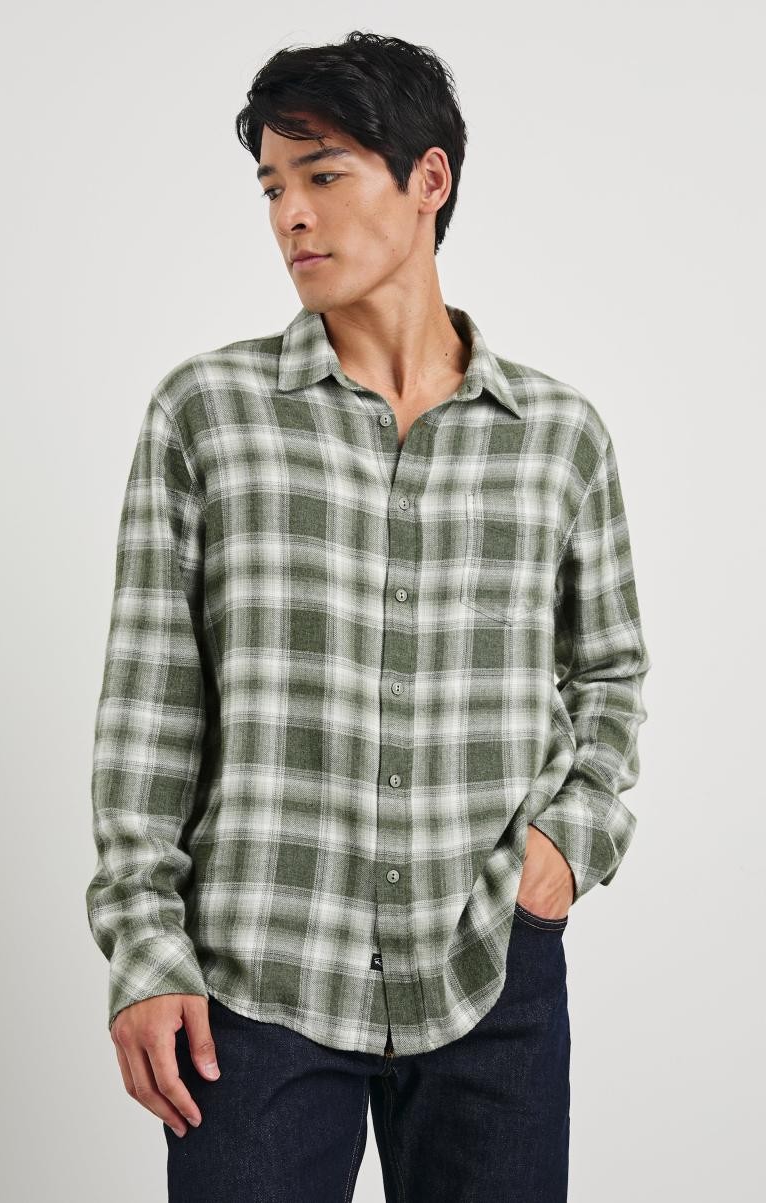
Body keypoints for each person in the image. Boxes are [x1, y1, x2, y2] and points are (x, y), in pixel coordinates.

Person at [86, 29, 651, 1203]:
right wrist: (144, 950)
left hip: (489, 971)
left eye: (323, 174)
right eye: (271, 187)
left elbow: (607, 675)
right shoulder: (207, 413)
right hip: (252, 983)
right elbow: (151, 709)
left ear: (427, 179)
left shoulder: (557, 438)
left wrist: (563, 851)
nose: (290, 214)